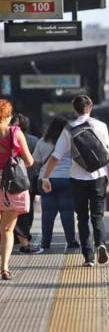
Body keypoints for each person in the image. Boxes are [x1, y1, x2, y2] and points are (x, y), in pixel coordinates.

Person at [42, 95, 109, 267]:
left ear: (74, 109)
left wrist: (46, 177)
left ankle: (88, 258)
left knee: (82, 217)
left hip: (77, 178)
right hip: (99, 177)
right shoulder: (101, 126)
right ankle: (101, 243)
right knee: (97, 216)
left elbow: (56, 157)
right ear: (90, 107)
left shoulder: (68, 129)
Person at [0, 99, 35, 280]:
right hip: (11, 184)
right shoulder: (16, 132)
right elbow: (29, 162)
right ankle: (4, 268)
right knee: (6, 229)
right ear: (8, 115)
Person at [32, 116, 79, 249]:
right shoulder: (70, 141)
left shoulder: (42, 142)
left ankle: (46, 242)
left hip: (46, 179)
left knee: (47, 211)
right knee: (67, 210)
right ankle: (71, 241)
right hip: (66, 179)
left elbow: (35, 163)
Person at [11, 114, 42, 254]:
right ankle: (24, 236)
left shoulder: (6, 138)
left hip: (10, 178)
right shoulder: (33, 140)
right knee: (25, 210)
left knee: (10, 209)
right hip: (27, 179)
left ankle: (15, 236)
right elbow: (34, 161)